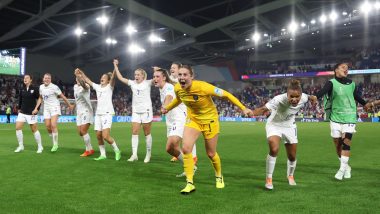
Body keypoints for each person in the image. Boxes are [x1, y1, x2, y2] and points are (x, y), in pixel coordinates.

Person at [161, 65, 253, 194]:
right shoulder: (178, 88)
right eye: (180, 75)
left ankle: (219, 175)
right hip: (193, 121)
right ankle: (189, 183)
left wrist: (243, 108)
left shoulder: (203, 87)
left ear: (191, 77)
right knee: (186, 149)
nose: (181, 78)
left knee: (211, 153)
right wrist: (168, 108)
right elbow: (179, 99)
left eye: (185, 75)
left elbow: (226, 94)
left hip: (210, 121)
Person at [310, 62, 371, 180]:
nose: (346, 69)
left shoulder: (352, 83)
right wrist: (315, 96)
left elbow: (355, 96)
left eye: (347, 68)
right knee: (338, 145)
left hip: (349, 116)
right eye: (343, 68)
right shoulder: (331, 83)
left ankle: (341, 170)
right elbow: (323, 91)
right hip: (335, 118)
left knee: (346, 142)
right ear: (336, 70)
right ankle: (347, 167)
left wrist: (365, 104)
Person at [253, 80, 316, 190]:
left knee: (292, 156)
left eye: (297, 97)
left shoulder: (304, 97)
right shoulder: (278, 99)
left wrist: (314, 99)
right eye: (291, 96)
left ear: (301, 95)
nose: (294, 99)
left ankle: (290, 176)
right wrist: (252, 113)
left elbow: (311, 97)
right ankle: (269, 178)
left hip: (290, 126)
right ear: (287, 94)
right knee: (274, 149)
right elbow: (264, 109)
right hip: (274, 125)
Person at [153, 67, 197, 177]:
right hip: (170, 120)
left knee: (172, 143)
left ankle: (190, 167)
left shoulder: (168, 87)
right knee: (169, 149)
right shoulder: (161, 88)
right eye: (154, 76)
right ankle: (191, 166)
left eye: (157, 76)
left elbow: (169, 97)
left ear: (164, 78)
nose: (155, 78)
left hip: (179, 118)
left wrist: (164, 106)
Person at [75, 67, 121, 161]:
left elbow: (113, 78)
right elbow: (87, 79)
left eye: (104, 77)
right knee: (98, 136)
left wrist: (115, 67)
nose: (102, 78)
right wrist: (81, 72)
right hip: (98, 114)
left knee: (106, 136)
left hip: (107, 114)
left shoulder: (109, 87)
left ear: (108, 81)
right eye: (101, 77)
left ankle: (117, 150)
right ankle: (103, 155)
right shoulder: (97, 87)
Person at [114, 59, 153, 163]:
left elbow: (160, 79)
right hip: (136, 111)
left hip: (146, 111)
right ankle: (134, 154)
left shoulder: (148, 83)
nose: (136, 76)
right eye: (135, 74)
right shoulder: (132, 83)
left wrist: (158, 71)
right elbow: (120, 77)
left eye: (138, 74)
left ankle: (148, 154)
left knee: (147, 133)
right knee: (134, 132)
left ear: (143, 75)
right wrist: (115, 66)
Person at [33, 73, 74, 152]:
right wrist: (36, 108)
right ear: (43, 79)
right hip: (46, 108)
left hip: (55, 107)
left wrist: (69, 105)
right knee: (48, 126)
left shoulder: (54, 87)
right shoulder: (41, 87)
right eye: (45, 78)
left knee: (53, 125)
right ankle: (54, 143)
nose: (47, 79)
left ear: (50, 80)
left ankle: (55, 144)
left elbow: (62, 96)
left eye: (48, 78)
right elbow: (40, 98)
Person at [14, 74, 43, 153]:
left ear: (31, 80)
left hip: (31, 113)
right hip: (22, 112)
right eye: (24, 78)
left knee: (34, 130)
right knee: (18, 128)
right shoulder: (22, 89)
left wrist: (37, 109)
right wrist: (19, 109)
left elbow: (40, 99)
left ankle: (40, 146)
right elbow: (20, 99)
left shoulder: (35, 89)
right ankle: (21, 146)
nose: (25, 79)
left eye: (27, 78)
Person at [73, 76, 94, 157]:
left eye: (80, 78)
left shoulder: (86, 86)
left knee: (83, 131)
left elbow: (83, 85)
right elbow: (77, 99)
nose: (78, 80)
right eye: (77, 78)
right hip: (79, 112)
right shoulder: (75, 87)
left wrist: (80, 78)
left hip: (86, 111)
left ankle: (88, 150)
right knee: (80, 132)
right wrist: (73, 106)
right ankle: (90, 148)